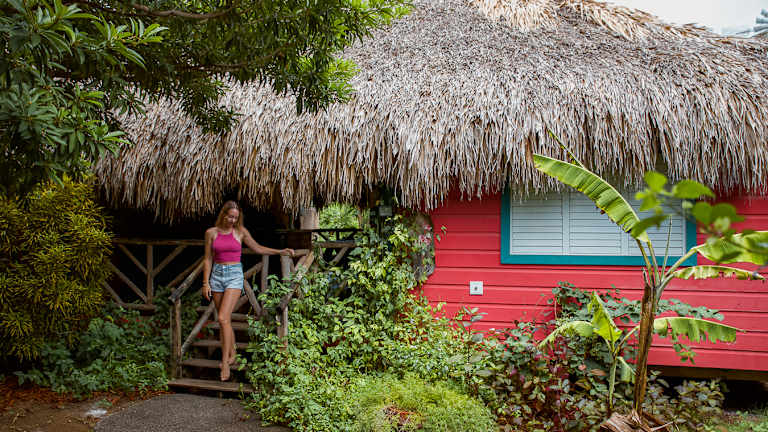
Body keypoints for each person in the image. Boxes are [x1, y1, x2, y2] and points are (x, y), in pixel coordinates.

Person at [202, 201, 294, 381]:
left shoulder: (240, 232)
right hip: (216, 276)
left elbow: (258, 248)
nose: (232, 220)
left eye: (235, 218)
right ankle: (233, 352)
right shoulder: (211, 233)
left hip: (234, 275)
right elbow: (207, 259)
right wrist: (206, 283)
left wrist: (280, 251)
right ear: (223, 214)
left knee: (222, 318)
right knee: (224, 320)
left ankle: (225, 363)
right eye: (230, 216)